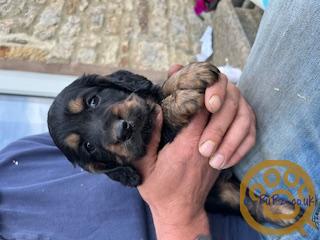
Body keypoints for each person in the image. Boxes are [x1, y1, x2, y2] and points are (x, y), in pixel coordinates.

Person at [0, 0, 319, 239]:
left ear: (115, 83)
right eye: (86, 144)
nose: (113, 126)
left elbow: (161, 115)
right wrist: (178, 216)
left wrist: (215, 95)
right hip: (273, 217)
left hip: (255, 145)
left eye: (94, 101)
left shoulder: (17, 158)